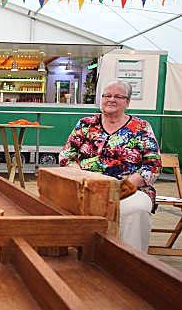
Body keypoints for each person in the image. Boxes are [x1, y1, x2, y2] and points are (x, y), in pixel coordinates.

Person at [59, 80, 161, 252]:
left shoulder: (141, 127)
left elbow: (153, 166)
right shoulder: (86, 124)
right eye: (107, 95)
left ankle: (131, 263)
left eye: (118, 96)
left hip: (128, 188)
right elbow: (66, 156)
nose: (111, 99)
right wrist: (82, 179)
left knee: (137, 209)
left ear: (127, 102)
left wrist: (120, 189)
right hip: (86, 187)